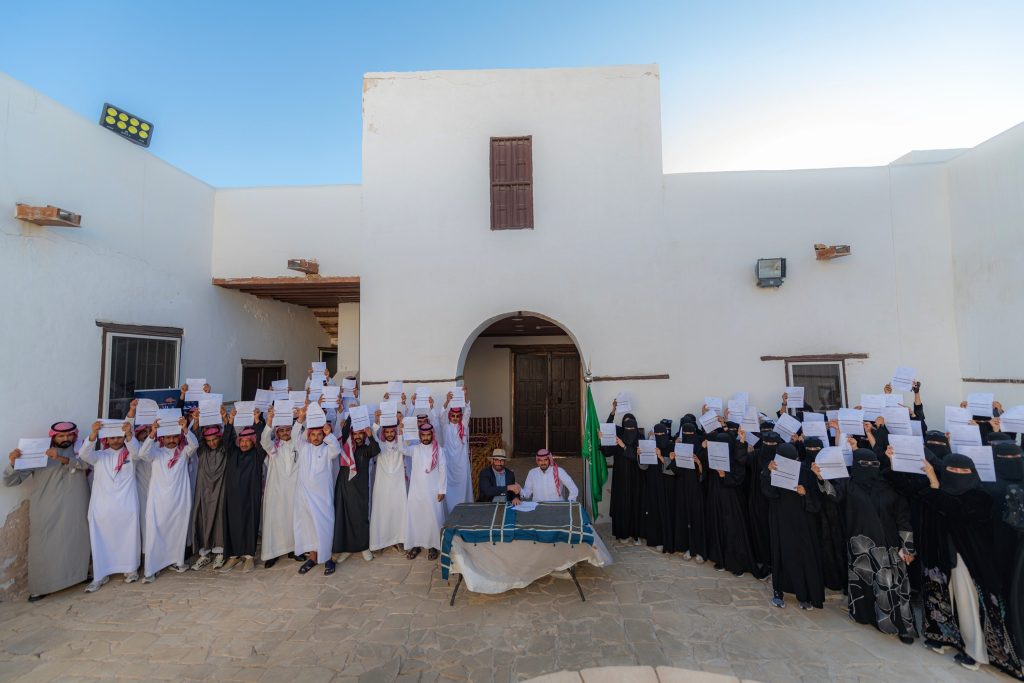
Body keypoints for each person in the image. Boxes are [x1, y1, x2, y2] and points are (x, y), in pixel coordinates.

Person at [920, 454, 1024, 677]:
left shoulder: (980, 498)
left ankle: (975, 652)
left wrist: (935, 483)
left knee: (968, 605)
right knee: (944, 599)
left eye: (964, 472)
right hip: (942, 559)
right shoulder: (936, 493)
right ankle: (946, 638)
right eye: (953, 471)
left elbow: (956, 509)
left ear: (973, 473)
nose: (958, 475)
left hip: (969, 562)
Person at [827, 447, 917, 644]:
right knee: (864, 583)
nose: (869, 468)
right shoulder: (848, 485)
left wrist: (907, 546)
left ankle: (902, 627)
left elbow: (903, 518)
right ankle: (864, 616)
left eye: (873, 464)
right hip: (861, 545)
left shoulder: (889, 486)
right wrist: (820, 477)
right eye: (864, 464)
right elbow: (832, 494)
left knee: (893, 585)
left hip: (890, 546)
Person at [5, 421, 91, 601]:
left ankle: (78, 576)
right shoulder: (38, 453)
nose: (66, 438)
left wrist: (60, 458)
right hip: (47, 507)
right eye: (61, 436)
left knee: (76, 540)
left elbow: (86, 465)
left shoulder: (81, 449)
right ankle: (41, 587)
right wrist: (13, 463)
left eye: (69, 435)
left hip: (76, 506)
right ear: (53, 437)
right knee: (43, 545)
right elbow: (11, 481)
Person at [78, 419, 141, 591]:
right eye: (112, 438)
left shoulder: (131, 455)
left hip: (126, 505)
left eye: (119, 437)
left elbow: (138, 452)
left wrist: (129, 434)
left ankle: (130, 569)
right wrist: (93, 433)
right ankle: (100, 574)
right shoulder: (99, 456)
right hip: (102, 506)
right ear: (106, 439)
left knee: (129, 538)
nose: (116, 441)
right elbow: (83, 454)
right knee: (101, 540)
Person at [138, 415, 199, 582]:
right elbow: (142, 453)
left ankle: (177, 562)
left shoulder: (184, 452)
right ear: (162, 438)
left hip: (179, 499)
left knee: (177, 531)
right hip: (158, 501)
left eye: (174, 436)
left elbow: (195, 445)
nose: (171, 440)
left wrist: (185, 429)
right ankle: (151, 569)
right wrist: (152, 433)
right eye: (168, 437)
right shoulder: (156, 453)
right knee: (155, 533)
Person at [764, 443, 824, 609]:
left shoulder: (805, 471)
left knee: (802, 555)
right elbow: (768, 492)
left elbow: (817, 500)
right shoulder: (773, 468)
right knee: (780, 554)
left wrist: (805, 493)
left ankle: (803, 594)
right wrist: (768, 473)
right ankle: (778, 591)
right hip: (780, 519)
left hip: (801, 521)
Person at [293, 408, 341, 575]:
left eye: (319, 434)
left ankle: (328, 559)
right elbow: (295, 436)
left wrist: (328, 434)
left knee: (325, 527)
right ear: (308, 435)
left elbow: (336, 449)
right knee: (309, 528)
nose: (315, 437)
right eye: (313, 434)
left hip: (323, 498)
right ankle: (312, 558)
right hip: (305, 497)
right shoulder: (304, 448)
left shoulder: (328, 450)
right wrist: (300, 419)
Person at [704, 430, 756, 577]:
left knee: (733, 529)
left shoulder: (736, 459)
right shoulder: (714, 454)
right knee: (718, 526)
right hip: (716, 497)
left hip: (732, 501)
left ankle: (736, 563)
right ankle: (720, 558)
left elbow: (739, 478)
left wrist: (724, 476)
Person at [219, 415, 265, 573]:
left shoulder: (258, 455)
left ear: (253, 441)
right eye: (242, 441)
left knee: (249, 523)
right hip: (232, 497)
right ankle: (234, 556)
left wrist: (257, 421)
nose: (244, 444)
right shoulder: (233, 453)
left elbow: (262, 440)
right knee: (231, 524)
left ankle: (249, 557)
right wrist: (230, 422)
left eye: (248, 441)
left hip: (250, 497)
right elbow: (226, 440)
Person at [331, 420, 379, 567]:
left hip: (360, 489)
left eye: (360, 434)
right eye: (355, 434)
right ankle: (347, 549)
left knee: (360, 517)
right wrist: (351, 417)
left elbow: (376, 450)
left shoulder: (366, 449)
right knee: (345, 519)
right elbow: (345, 432)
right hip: (344, 487)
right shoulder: (347, 447)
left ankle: (364, 547)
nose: (357, 436)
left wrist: (371, 436)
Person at [803, 435, 847, 593]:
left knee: (835, 547)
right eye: (809, 449)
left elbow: (838, 493)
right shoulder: (803, 467)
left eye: (816, 449)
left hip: (832, 515)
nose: (813, 452)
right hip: (811, 515)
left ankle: (837, 579)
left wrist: (821, 478)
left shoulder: (833, 466)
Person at [260, 405, 299, 568]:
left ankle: (294, 549)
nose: (285, 433)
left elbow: (301, 434)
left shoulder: (298, 444)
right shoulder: (273, 447)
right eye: (281, 430)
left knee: (293, 520)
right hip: (275, 491)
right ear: (277, 432)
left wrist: (300, 416)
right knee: (274, 522)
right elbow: (264, 440)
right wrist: (269, 421)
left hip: (294, 491)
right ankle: (272, 553)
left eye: (287, 430)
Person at [189, 416, 229, 571]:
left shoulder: (224, 450)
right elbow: (195, 438)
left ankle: (220, 552)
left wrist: (225, 419)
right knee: (201, 518)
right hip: (203, 490)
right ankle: (204, 553)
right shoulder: (202, 451)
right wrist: (196, 421)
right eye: (209, 440)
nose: (212, 443)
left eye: (215, 439)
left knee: (219, 518)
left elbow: (229, 438)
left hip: (220, 489)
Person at [404, 422, 446, 561]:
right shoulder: (415, 449)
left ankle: (433, 546)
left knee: (432, 519)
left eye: (428, 435)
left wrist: (442, 490)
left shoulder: (438, 450)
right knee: (416, 518)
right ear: (420, 436)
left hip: (433, 491)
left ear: (432, 435)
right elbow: (401, 449)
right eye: (423, 435)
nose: (426, 437)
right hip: (416, 491)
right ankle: (416, 545)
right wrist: (400, 433)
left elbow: (443, 470)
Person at [369, 412, 409, 551]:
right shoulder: (379, 445)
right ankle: (380, 542)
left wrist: (401, 425)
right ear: (383, 433)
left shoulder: (401, 444)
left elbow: (405, 445)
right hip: (382, 486)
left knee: (398, 511)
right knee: (382, 512)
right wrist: (376, 421)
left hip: (398, 485)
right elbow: (372, 435)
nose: (390, 434)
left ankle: (399, 539)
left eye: (392, 431)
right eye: (387, 432)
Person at [671, 420, 706, 562]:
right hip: (682, 487)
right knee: (684, 516)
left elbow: (705, 473)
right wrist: (673, 459)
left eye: (690, 433)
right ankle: (687, 546)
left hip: (696, 489)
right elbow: (676, 470)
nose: (688, 436)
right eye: (685, 434)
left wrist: (698, 462)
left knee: (697, 517)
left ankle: (699, 549)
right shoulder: (679, 447)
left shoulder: (701, 449)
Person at [608, 406, 643, 544]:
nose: (629, 431)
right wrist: (603, 438)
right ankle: (622, 534)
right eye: (627, 428)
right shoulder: (619, 439)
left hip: (635, 478)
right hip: (620, 478)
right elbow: (607, 451)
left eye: (631, 428)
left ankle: (636, 534)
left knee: (635, 505)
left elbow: (638, 458)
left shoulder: (639, 439)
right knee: (621, 504)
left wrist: (624, 447)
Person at [439, 390, 473, 514]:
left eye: (457, 416)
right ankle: (450, 511)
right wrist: (447, 401)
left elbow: (468, 412)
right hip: (449, 463)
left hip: (462, 463)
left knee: (463, 486)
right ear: (450, 416)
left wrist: (465, 397)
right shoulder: (445, 427)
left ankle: (463, 512)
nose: (455, 418)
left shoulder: (463, 426)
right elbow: (442, 415)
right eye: (453, 416)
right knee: (449, 488)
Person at [653, 421, 678, 553]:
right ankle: (660, 539)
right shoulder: (652, 445)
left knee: (670, 511)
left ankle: (671, 541)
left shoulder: (672, 446)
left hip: (670, 485)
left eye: (661, 434)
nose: (659, 437)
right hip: (657, 483)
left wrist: (661, 457)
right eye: (656, 434)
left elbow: (675, 468)